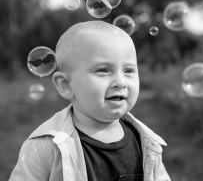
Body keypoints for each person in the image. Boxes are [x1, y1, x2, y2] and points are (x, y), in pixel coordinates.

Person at [9, 21, 171, 181]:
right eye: (103, 70)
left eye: (128, 70)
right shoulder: (45, 149)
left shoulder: (146, 142)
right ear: (66, 85)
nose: (120, 82)